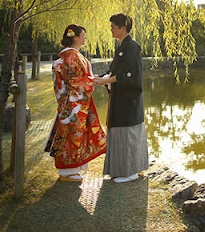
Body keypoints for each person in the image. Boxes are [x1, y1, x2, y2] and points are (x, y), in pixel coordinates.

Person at [44, 24, 106, 182]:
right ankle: (67, 170)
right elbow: (74, 80)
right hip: (73, 103)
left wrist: (93, 79)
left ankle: (70, 169)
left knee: (71, 133)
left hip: (72, 102)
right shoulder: (72, 57)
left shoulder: (71, 56)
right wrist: (94, 81)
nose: (85, 37)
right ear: (75, 37)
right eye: (83, 34)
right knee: (71, 134)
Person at [94, 13, 148, 183]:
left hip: (128, 101)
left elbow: (127, 76)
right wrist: (101, 78)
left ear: (123, 28)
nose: (111, 29)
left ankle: (129, 172)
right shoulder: (122, 47)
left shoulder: (131, 47)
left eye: (113, 27)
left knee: (127, 136)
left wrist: (106, 80)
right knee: (119, 136)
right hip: (120, 100)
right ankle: (120, 171)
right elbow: (116, 73)